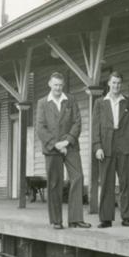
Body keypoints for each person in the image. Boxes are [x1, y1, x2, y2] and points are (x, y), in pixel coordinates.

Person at [35, 72, 90, 229]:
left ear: (63, 85)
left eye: (60, 85)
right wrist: (56, 144)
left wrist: (67, 141)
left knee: (77, 177)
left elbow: (77, 122)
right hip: (52, 148)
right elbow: (40, 127)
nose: (58, 88)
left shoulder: (70, 100)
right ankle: (56, 221)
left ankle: (75, 219)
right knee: (54, 183)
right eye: (55, 85)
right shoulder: (43, 103)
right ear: (49, 84)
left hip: (70, 145)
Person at [92, 71, 129, 228]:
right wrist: (97, 146)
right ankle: (106, 218)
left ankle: (126, 216)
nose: (116, 86)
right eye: (114, 83)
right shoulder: (100, 103)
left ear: (121, 84)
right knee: (106, 182)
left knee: (126, 181)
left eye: (119, 83)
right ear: (109, 84)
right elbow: (95, 127)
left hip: (124, 145)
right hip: (106, 145)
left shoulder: (128, 102)